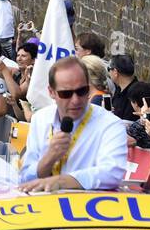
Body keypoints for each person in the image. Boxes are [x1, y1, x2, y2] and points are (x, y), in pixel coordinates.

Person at [19, 56, 128, 192]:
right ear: (51, 92)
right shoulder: (40, 119)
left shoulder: (110, 124)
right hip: (45, 208)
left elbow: (111, 173)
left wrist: (61, 181)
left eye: (81, 91)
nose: (75, 100)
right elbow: (25, 179)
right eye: (66, 94)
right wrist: (50, 157)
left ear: (88, 89)